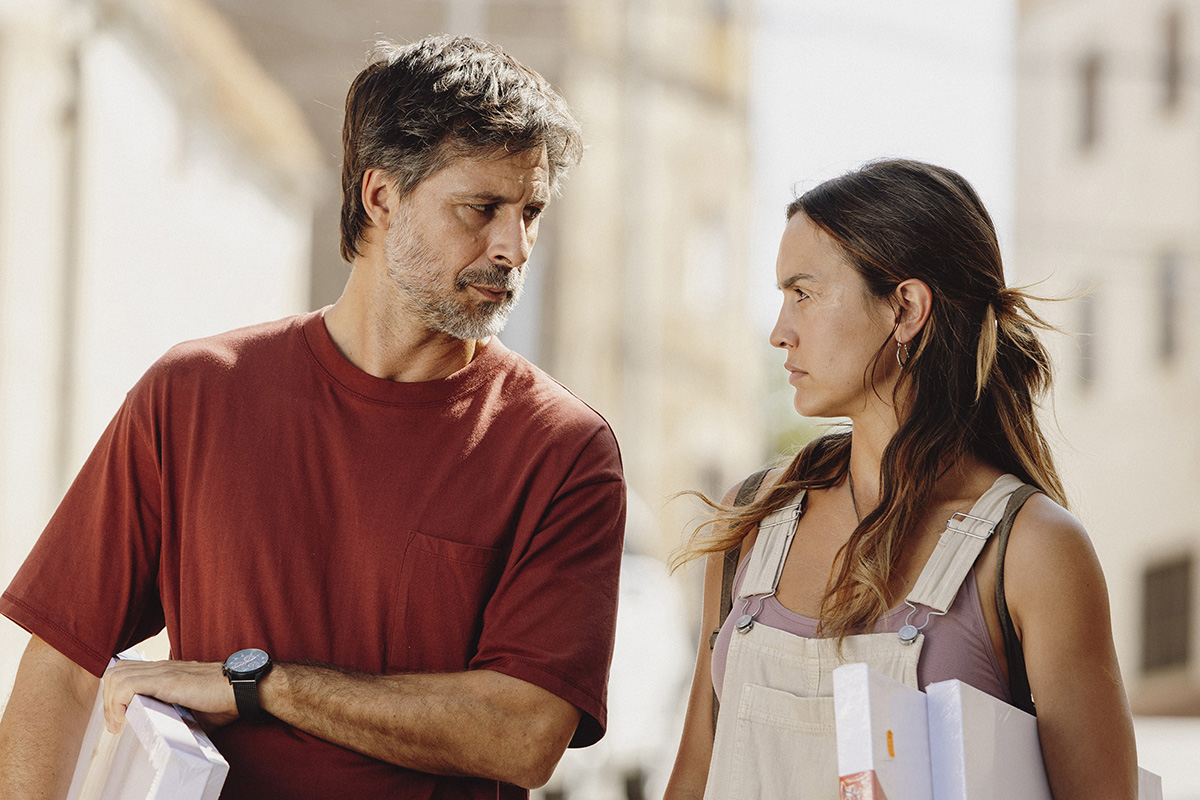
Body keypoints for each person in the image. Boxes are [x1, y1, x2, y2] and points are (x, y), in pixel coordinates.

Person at [0, 35, 626, 799]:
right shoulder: (194, 394)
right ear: (380, 195)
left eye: (531, 212)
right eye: (482, 208)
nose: (514, 246)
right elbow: (61, 669)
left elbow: (525, 736)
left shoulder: (562, 449)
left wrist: (260, 684)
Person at [664, 159, 1136, 799]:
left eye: (803, 293)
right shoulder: (753, 521)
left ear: (906, 307)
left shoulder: (1030, 551)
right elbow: (694, 781)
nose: (779, 332)